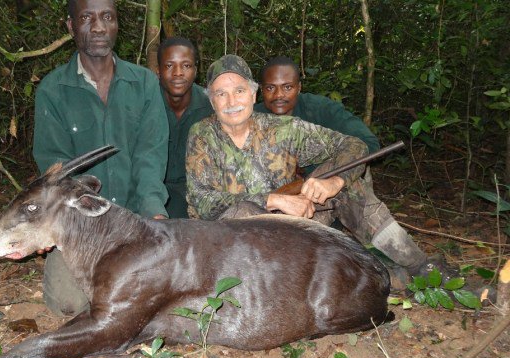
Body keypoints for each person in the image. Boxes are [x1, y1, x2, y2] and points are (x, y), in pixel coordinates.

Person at [186, 54, 446, 288]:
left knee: (349, 186)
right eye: (221, 94)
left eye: (239, 90)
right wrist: (274, 200)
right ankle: (368, 277)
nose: (232, 101)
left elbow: (354, 145)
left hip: (289, 233)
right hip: (231, 246)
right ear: (212, 100)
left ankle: (419, 266)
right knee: (246, 213)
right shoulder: (202, 135)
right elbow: (204, 201)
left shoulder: (284, 128)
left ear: (253, 94)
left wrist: (334, 182)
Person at [32, 0, 169, 315]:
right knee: (69, 304)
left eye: (107, 17)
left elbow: (151, 154)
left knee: (158, 296)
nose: (98, 27)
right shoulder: (53, 90)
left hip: (136, 219)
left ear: (117, 24)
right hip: (82, 224)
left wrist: (153, 213)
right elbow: (56, 170)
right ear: (71, 26)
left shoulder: (144, 83)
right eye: (86, 18)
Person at [157, 37, 214, 218]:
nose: (178, 73)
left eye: (186, 66)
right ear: (158, 70)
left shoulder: (210, 106)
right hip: (152, 188)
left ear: (196, 70)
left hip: (191, 191)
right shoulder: (145, 102)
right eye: (169, 66)